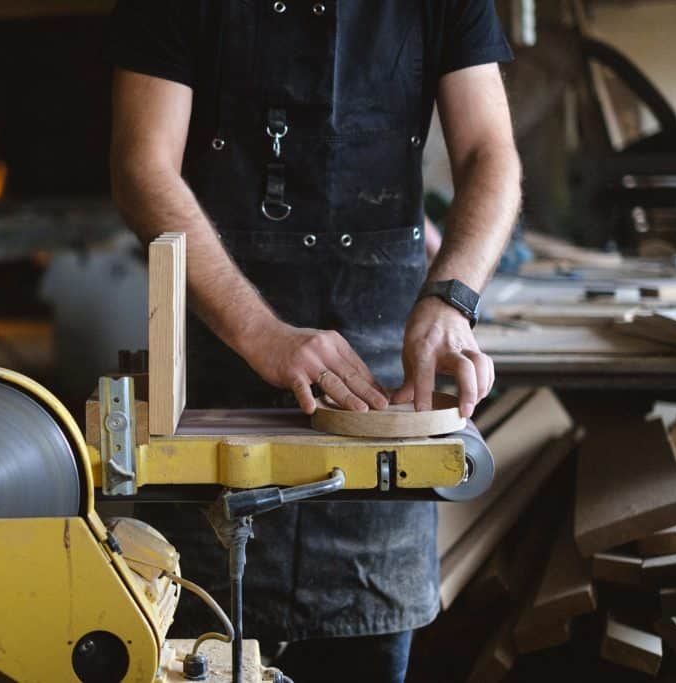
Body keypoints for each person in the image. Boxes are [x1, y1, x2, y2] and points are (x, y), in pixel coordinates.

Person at [107, 2, 520, 681]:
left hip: (384, 390)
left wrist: (451, 301)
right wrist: (259, 331)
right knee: (197, 648)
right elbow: (141, 166)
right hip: (214, 380)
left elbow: (490, 152)